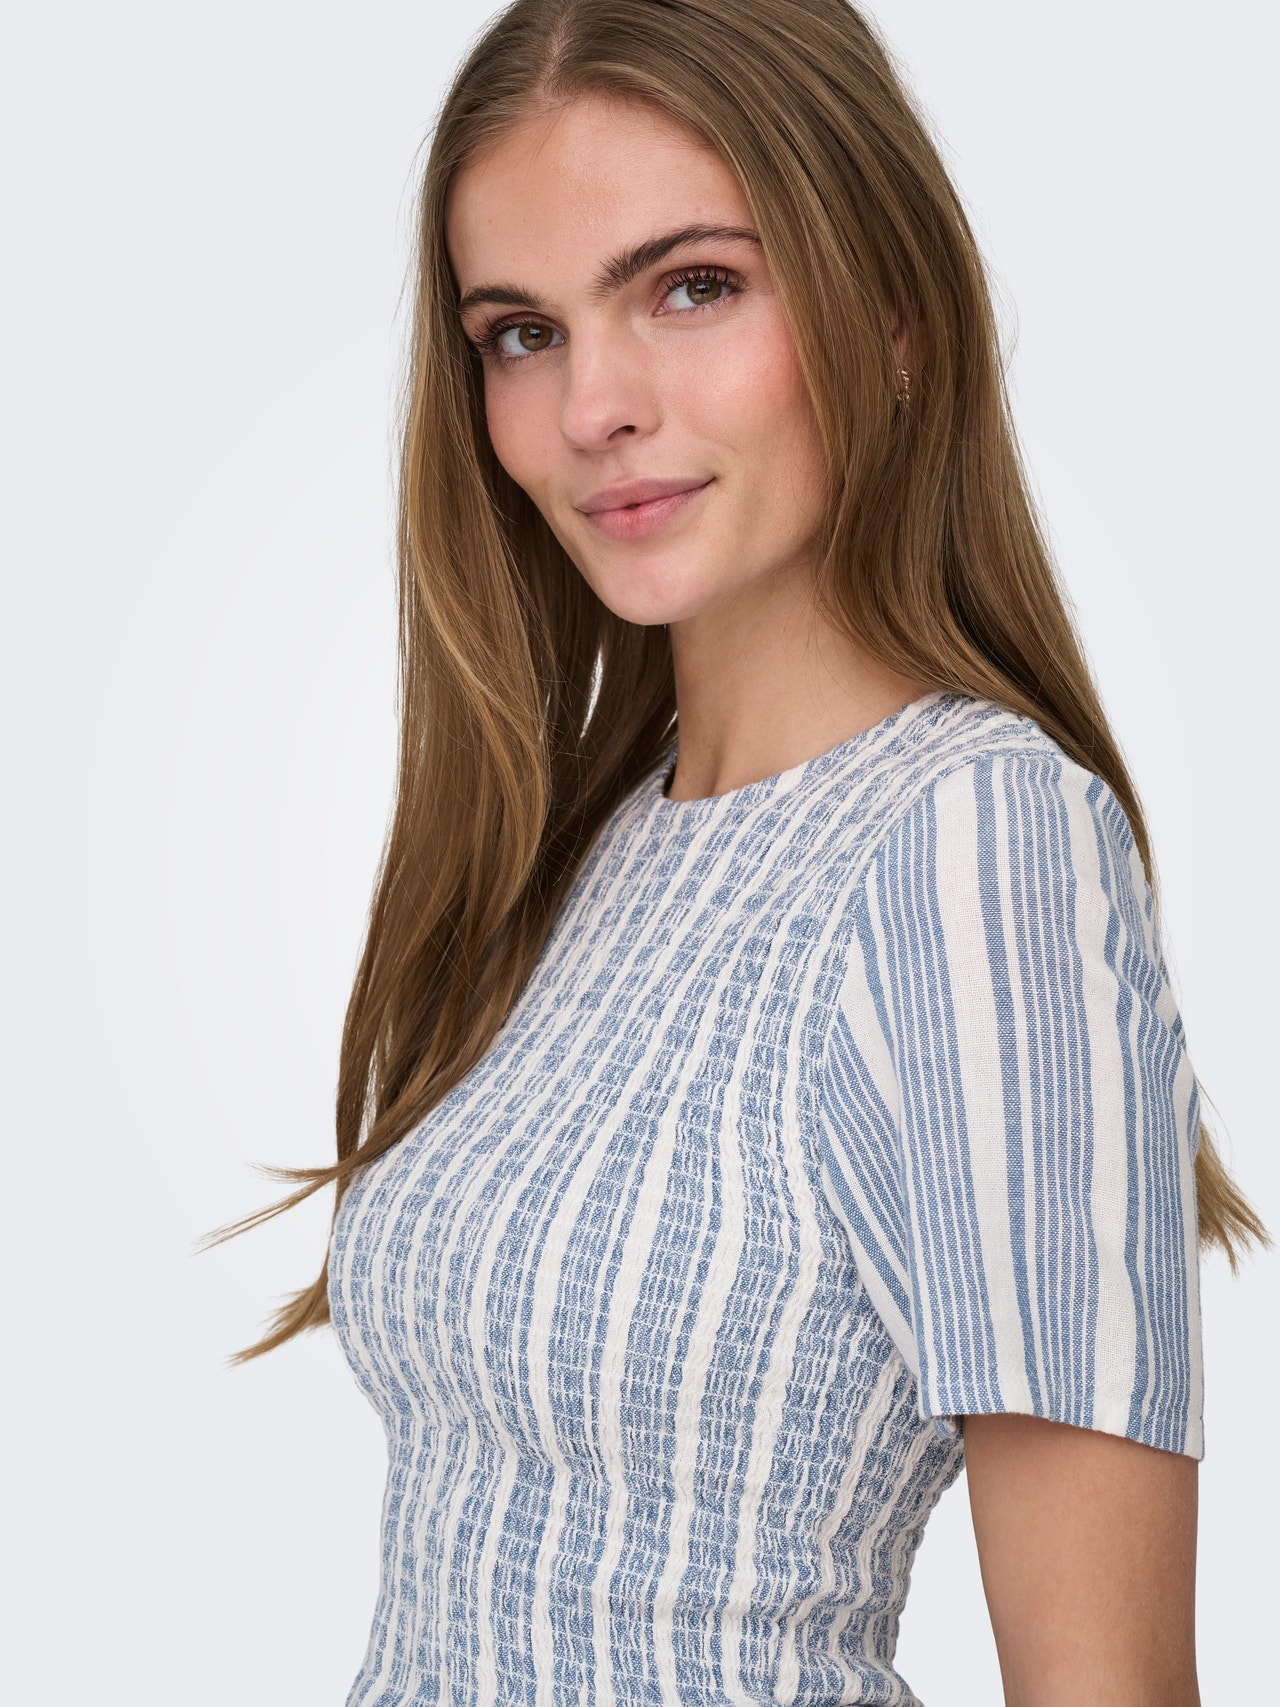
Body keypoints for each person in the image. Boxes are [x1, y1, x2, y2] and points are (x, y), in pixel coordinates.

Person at [232, 2, 1267, 1701]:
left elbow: (1108, 1686)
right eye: (521, 333)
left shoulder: (978, 846)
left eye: (692, 287)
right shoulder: (582, 848)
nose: (594, 406)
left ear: (896, 313)